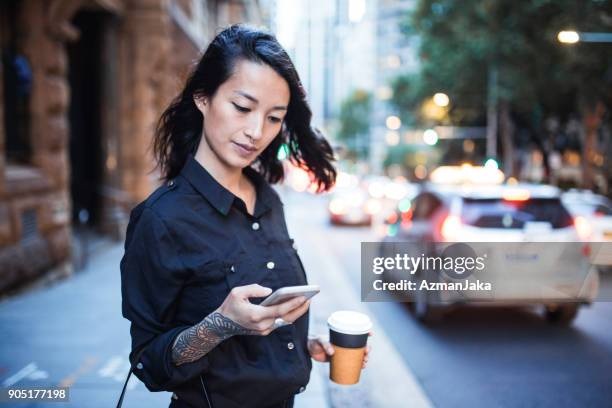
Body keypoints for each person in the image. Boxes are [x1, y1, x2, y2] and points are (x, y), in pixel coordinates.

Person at [120, 24, 370, 408]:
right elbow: (148, 362)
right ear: (203, 98)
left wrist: (304, 346)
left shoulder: (268, 198)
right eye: (242, 107)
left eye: (274, 118)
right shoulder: (160, 220)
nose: (256, 131)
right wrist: (219, 324)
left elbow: (259, 330)